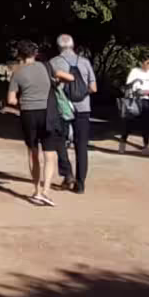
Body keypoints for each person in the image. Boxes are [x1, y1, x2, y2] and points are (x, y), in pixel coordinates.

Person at [4, 39, 63, 206]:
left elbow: (11, 100)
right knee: (50, 153)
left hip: (28, 114)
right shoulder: (47, 67)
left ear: (19, 55)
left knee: (33, 152)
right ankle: (46, 191)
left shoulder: (18, 73)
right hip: (48, 113)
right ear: (35, 54)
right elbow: (65, 78)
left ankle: (36, 190)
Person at [50, 35, 97, 193]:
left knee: (58, 140)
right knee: (81, 145)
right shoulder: (84, 62)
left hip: (62, 107)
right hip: (83, 108)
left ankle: (67, 172)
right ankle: (81, 183)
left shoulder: (54, 62)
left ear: (58, 47)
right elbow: (94, 88)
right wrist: (83, 94)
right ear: (73, 45)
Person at [118, 54, 149, 152]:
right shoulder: (135, 72)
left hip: (145, 99)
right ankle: (123, 142)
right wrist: (136, 82)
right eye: (148, 63)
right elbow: (128, 85)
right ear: (142, 63)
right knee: (129, 122)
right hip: (133, 99)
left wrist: (144, 92)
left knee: (146, 123)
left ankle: (146, 145)